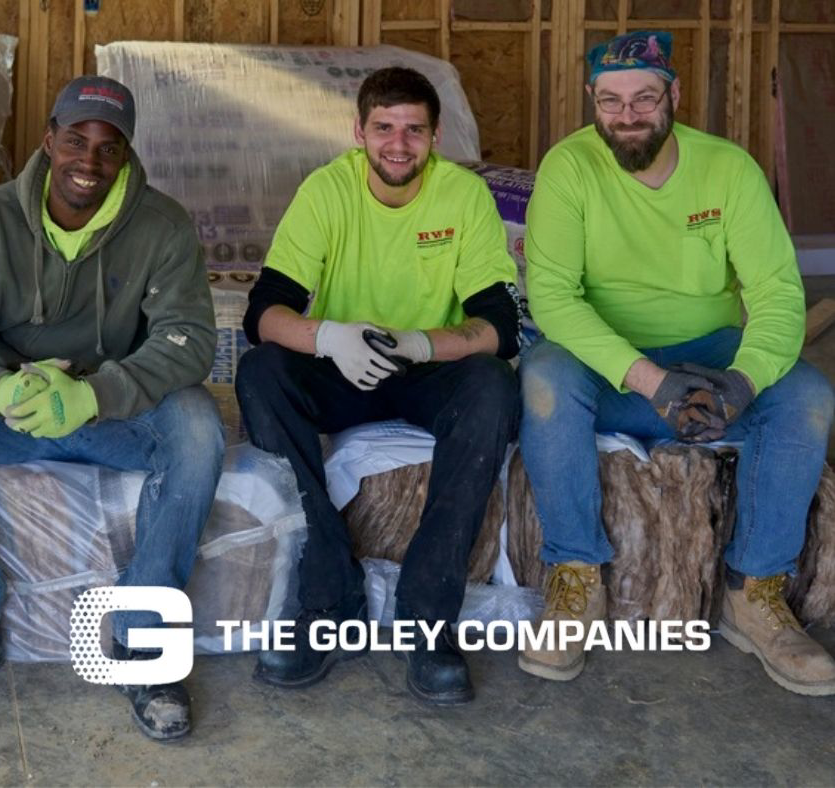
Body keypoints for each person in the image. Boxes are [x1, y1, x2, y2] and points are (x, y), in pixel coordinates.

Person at [0, 76, 225, 738]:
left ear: (126, 155)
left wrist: (95, 395)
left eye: (108, 147)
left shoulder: (162, 227)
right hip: (15, 413)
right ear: (48, 141)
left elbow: (189, 341)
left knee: (197, 428)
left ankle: (142, 639)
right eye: (76, 141)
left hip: (111, 416)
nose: (89, 162)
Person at [517, 30, 835, 696]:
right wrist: (651, 382)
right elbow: (553, 299)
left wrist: (743, 382)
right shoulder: (568, 168)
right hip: (609, 364)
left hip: (711, 357)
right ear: (592, 100)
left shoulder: (728, 169)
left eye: (644, 98)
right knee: (544, 379)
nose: (627, 115)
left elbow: (777, 293)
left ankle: (755, 593)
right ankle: (576, 579)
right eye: (610, 101)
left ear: (674, 96)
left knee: (807, 397)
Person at [235, 67, 521, 705]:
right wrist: (329, 336)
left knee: (493, 385)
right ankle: (329, 597)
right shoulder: (326, 190)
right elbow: (263, 314)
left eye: (414, 130)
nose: (399, 144)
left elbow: (501, 325)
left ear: (436, 137)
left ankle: (428, 617)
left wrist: (420, 343)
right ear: (358, 132)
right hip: (346, 365)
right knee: (261, 372)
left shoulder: (462, 196)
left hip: (429, 367)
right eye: (384, 128)